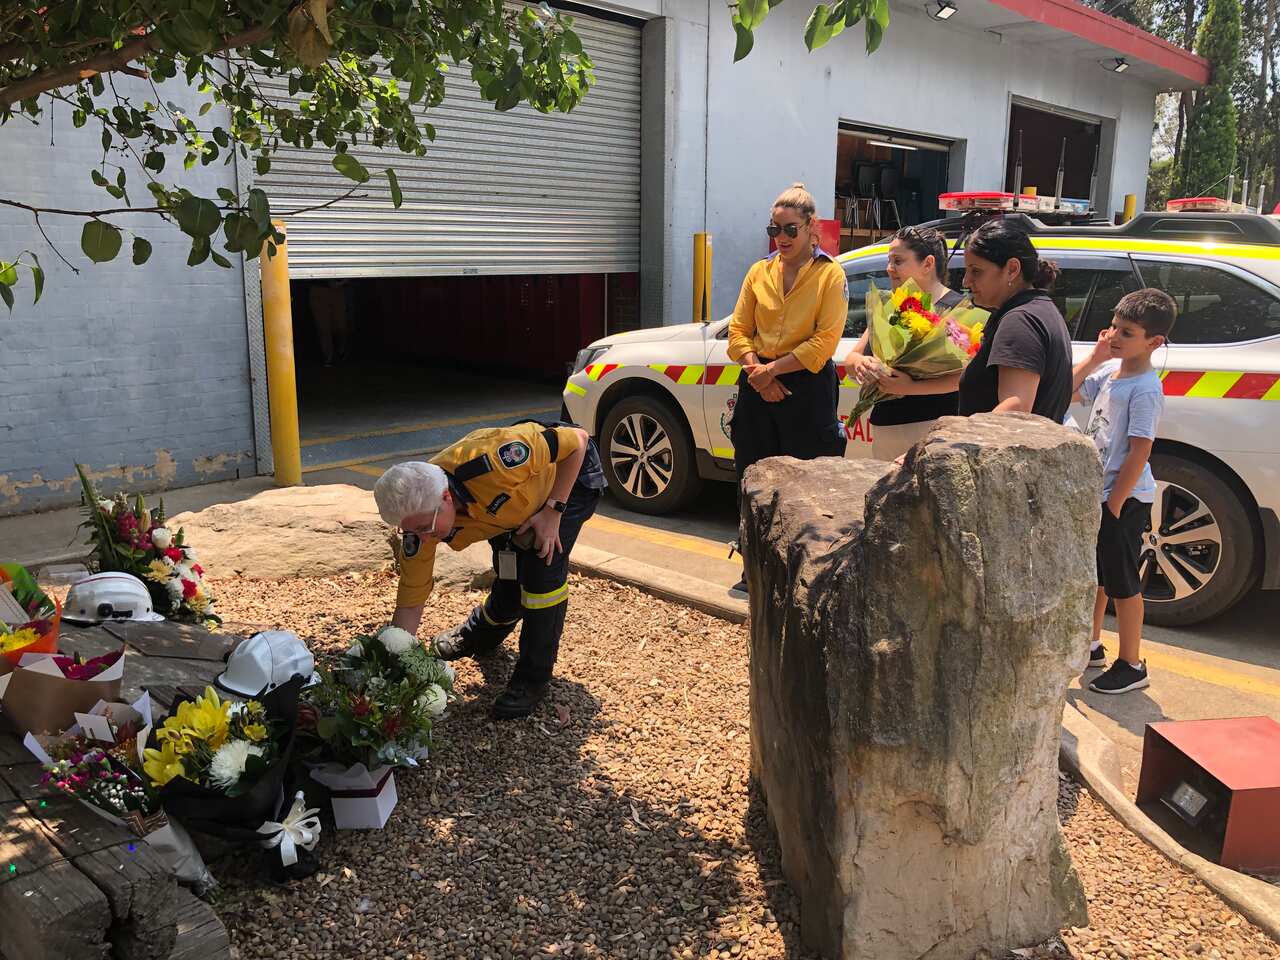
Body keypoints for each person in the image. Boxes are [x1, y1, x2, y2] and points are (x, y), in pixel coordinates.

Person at [373, 420, 606, 719]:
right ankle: (480, 635)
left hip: (565, 479)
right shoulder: (420, 520)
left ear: (446, 498)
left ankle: (532, 679)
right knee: (508, 574)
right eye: (410, 531)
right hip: (509, 509)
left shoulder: (496, 462)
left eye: (425, 528)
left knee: (540, 576)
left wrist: (552, 512)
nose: (422, 538)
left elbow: (577, 440)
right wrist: (396, 662)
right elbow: (411, 600)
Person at [726, 182, 849, 595]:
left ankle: (804, 569)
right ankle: (753, 567)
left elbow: (824, 342)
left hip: (806, 387)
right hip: (758, 382)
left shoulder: (830, 275)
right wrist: (757, 373)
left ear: (812, 228)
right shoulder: (758, 272)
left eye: (790, 230)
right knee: (752, 476)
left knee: (806, 481)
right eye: (774, 229)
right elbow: (738, 330)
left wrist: (770, 372)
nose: (780, 238)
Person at [1072, 289, 1177, 695]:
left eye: (1126, 332)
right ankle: (1092, 644)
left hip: (1125, 498)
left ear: (1153, 343)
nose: (1114, 336)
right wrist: (1097, 356)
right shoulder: (1110, 373)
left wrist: (1115, 502)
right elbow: (1063, 390)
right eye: (1114, 326)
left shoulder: (1146, 388)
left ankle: (1132, 663)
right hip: (1101, 495)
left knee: (1122, 583)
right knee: (1099, 576)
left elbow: (1141, 449)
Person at [844, 226, 965, 461]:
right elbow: (851, 359)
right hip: (885, 427)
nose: (890, 269)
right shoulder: (891, 305)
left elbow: (963, 379)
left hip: (934, 431)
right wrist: (861, 363)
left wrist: (910, 388)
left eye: (898, 261)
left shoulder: (957, 310)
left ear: (928, 264)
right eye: (889, 261)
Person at [956, 219, 1073, 422]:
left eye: (976, 271)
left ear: (1012, 269)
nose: (966, 281)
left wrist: (949, 441)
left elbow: (1015, 407)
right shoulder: (1040, 310)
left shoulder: (1020, 321)